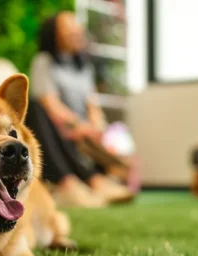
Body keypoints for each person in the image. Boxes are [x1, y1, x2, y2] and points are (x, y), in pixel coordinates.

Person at [29, 11, 133, 207]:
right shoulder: (44, 62)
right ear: (54, 34)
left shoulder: (84, 65)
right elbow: (49, 105)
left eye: (76, 26)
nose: (76, 31)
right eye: (68, 27)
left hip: (84, 134)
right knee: (41, 114)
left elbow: (91, 104)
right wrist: (79, 124)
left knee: (101, 136)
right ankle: (78, 182)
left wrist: (96, 125)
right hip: (61, 130)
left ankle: (96, 181)